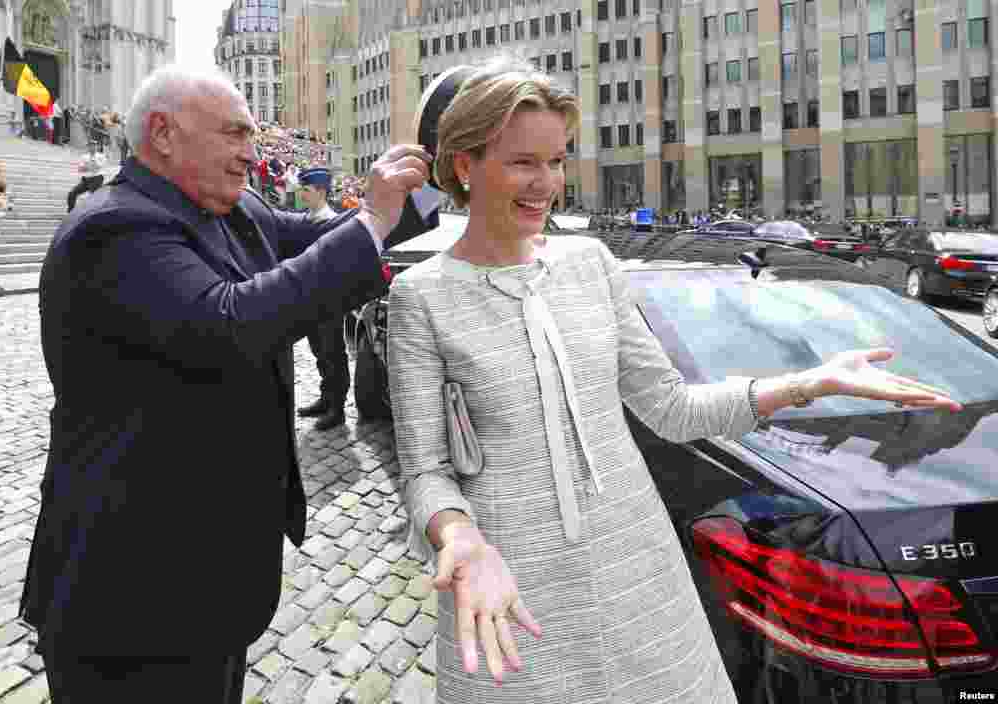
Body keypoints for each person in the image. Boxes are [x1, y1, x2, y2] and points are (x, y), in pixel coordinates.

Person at [386, 59, 963, 704]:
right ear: (465, 165)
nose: (546, 183)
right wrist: (462, 542)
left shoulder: (591, 265)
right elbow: (426, 470)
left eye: (557, 161)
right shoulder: (420, 297)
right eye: (524, 162)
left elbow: (671, 407)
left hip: (638, 569)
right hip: (505, 583)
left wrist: (811, 382)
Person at [20, 65, 436, 703]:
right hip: (128, 597)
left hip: (207, 587)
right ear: (162, 134)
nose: (253, 152)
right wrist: (372, 220)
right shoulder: (112, 231)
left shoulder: (235, 206)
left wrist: (435, 181)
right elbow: (231, 322)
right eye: (235, 134)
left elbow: (332, 244)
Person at [295, 167, 350, 428]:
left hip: (330, 301)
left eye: (306, 190)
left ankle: (337, 408)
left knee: (333, 352)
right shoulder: (304, 220)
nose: (301, 194)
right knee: (319, 352)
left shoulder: (334, 222)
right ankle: (326, 398)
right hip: (309, 300)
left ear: (320, 192)